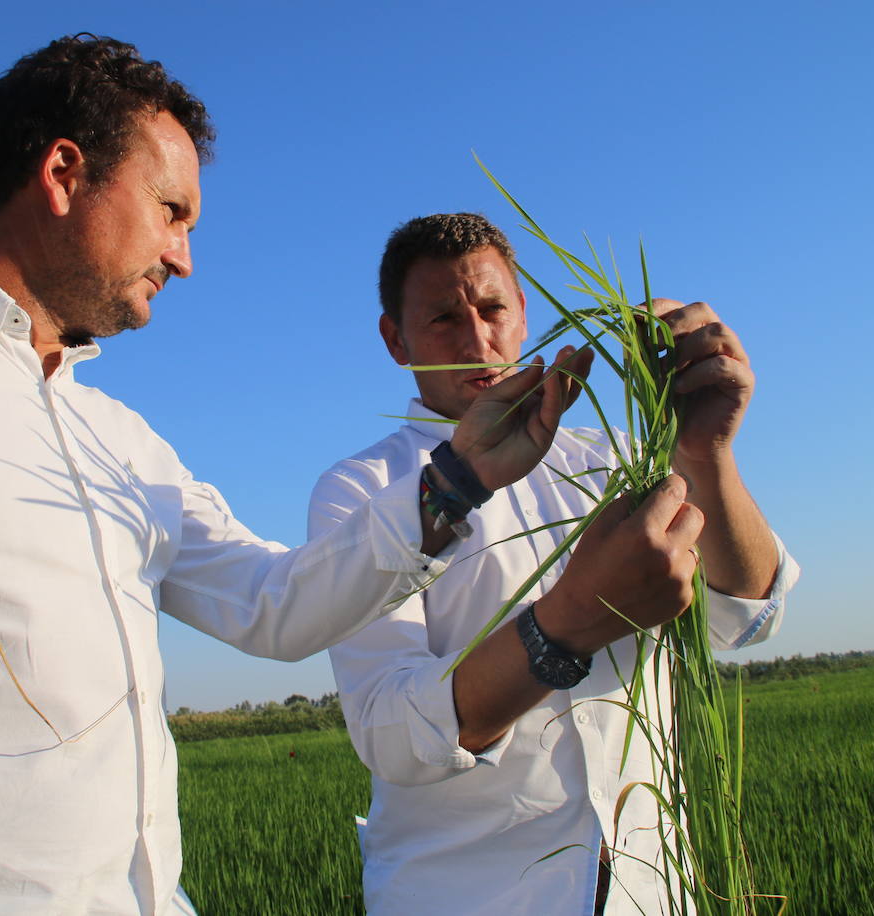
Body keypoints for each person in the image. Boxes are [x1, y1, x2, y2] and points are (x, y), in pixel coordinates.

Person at [0, 42, 593, 915]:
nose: (184, 256)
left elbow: (277, 606)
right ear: (62, 173)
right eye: (171, 212)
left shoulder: (123, 442)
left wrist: (459, 478)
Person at [310, 213, 799, 915]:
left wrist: (705, 453)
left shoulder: (616, 459)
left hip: (653, 887)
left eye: (492, 308)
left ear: (524, 312)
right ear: (396, 340)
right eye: (444, 318)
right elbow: (392, 731)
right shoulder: (366, 494)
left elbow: (746, 616)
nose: (477, 339)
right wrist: (567, 621)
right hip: (466, 898)